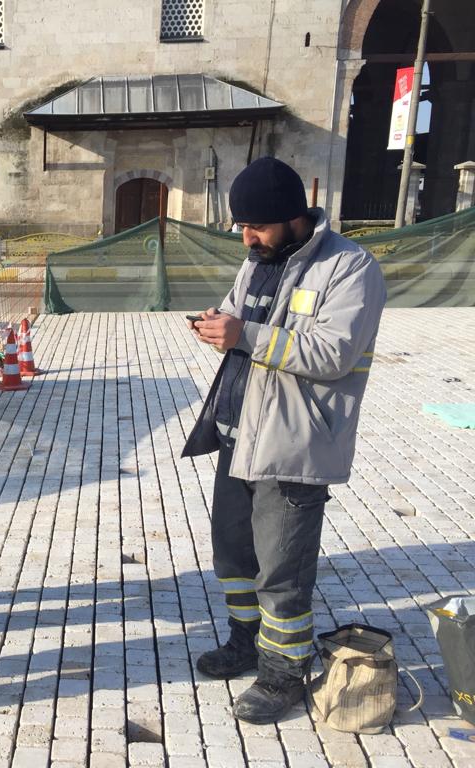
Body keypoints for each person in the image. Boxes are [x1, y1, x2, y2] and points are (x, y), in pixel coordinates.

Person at [182, 157, 386, 725]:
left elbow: (332, 354)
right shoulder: (258, 260)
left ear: (296, 218)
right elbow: (234, 314)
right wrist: (215, 322)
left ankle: (282, 675)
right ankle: (245, 643)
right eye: (241, 226)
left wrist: (244, 334)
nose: (247, 238)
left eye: (258, 226)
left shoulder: (349, 268)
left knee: (282, 569)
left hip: (294, 446)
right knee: (234, 555)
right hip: (238, 435)